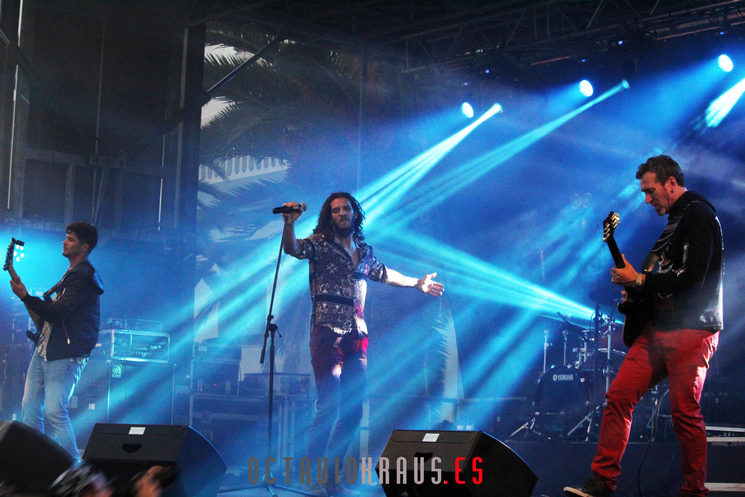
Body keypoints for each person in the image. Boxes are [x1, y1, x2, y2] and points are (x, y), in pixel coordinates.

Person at [564, 155, 723, 497]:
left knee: (684, 413)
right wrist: (635, 287)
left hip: (692, 328)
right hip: (659, 328)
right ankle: (602, 482)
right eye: (644, 193)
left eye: (651, 191)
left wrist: (638, 280)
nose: (647, 200)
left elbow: (692, 278)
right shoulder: (675, 223)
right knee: (618, 396)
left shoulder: (698, 214)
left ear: (671, 183)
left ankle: (694, 492)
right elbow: (659, 280)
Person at [281, 192, 444, 496]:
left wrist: (417, 283)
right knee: (328, 406)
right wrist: (289, 224)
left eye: (346, 209)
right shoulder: (319, 244)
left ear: (355, 214)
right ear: (329, 216)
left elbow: (386, 274)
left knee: (353, 412)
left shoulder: (364, 251)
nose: (341, 213)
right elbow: (292, 249)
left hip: (357, 337)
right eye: (335, 210)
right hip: (327, 334)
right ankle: (311, 479)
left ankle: (331, 480)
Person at [9, 222, 104, 460]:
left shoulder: (83, 277)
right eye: (66, 237)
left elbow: (58, 313)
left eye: (70, 239)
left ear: (84, 247)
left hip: (65, 354)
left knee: (54, 411)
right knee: (30, 408)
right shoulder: (70, 275)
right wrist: (27, 300)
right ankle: (35, 462)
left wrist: (25, 297)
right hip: (46, 349)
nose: (64, 241)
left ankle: (74, 468)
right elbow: (50, 319)